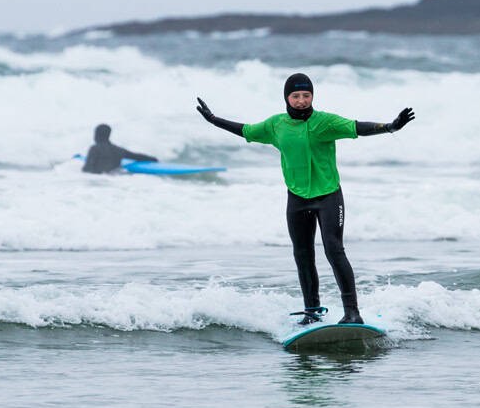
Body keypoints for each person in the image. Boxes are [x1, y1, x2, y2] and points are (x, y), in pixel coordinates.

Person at [196, 73, 414, 325]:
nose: (301, 100)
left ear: (312, 96)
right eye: (296, 96)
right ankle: (312, 312)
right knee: (302, 254)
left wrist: (389, 126)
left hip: (329, 195)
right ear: (287, 97)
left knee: (334, 250)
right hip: (297, 199)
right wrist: (214, 121)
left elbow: (356, 127)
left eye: (306, 95)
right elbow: (246, 130)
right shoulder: (275, 126)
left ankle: (352, 313)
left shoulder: (325, 122)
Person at [81, 124, 158, 174]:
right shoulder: (118, 150)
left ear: (96, 135)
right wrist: (153, 159)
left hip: (97, 180)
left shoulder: (94, 149)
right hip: (115, 178)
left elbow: (87, 169)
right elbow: (137, 156)